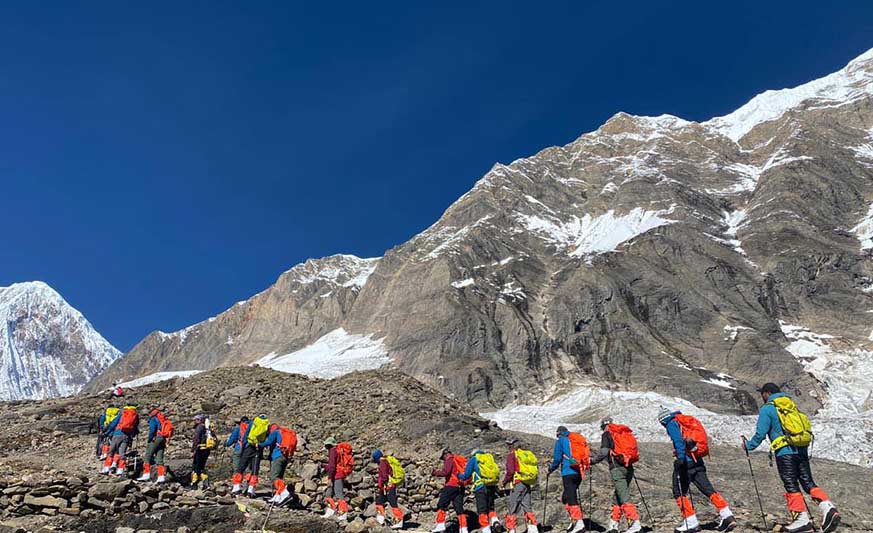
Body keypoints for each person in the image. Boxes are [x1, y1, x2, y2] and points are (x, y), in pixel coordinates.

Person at [744, 383, 840, 533]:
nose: (761, 396)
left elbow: (760, 433)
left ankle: (802, 520)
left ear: (767, 393)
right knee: (808, 482)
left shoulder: (768, 408)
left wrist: (748, 445)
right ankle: (828, 508)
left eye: (762, 393)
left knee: (791, 484)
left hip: (785, 452)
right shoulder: (791, 405)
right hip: (801, 449)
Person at [658, 408, 736, 533]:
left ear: (663, 421)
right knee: (708, 489)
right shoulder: (683, 421)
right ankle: (727, 515)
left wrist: (680, 458)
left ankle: (691, 522)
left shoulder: (671, 424)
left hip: (686, 462)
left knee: (679, 492)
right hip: (697, 460)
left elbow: (678, 440)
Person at [589, 418, 642, 533]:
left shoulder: (607, 434)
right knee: (618, 495)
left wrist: (592, 461)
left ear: (603, 427)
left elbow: (604, 452)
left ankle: (635, 523)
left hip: (617, 469)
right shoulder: (621, 432)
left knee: (624, 496)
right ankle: (613, 525)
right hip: (628, 467)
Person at [548, 426, 586, 533]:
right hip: (578, 472)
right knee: (566, 497)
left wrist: (550, 469)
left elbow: (557, 459)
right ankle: (574, 521)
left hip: (568, 472)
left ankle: (579, 523)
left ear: (558, 433)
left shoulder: (561, 440)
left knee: (571, 498)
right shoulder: (574, 440)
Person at [457, 449, 500, 533]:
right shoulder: (488, 458)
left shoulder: (474, 459)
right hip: (491, 485)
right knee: (491, 508)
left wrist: (458, 475)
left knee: (482, 510)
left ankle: (486, 529)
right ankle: (495, 521)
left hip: (480, 487)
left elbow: (466, 475)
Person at [502, 439, 539, 533]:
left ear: (512, 446)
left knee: (512, 507)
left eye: (509, 445)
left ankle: (511, 530)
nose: (508, 447)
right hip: (527, 482)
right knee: (527, 506)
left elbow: (510, 471)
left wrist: (505, 481)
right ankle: (533, 529)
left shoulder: (512, 455)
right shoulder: (525, 454)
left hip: (518, 483)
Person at [430, 448, 469, 533]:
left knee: (441, 504)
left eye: (443, 458)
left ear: (445, 455)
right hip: (460, 486)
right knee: (459, 508)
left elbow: (446, 472)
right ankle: (464, 528)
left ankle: (440, 525)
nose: (443, 460)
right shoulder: (457, 460)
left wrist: (435, 473)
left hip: (451, 485)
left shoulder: (449, 460)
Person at [259, 423, 297, 506]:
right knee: (279, 477)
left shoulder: (276, 432)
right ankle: (277, 496)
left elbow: (268, 442)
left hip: (277, 456)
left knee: (274, 477)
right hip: (285, 457)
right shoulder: (285, 433)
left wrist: (258, 444)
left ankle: (284, 493)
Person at [234, 414, 270, 497]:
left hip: (249, 447)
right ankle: (251, 489)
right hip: (258, 448)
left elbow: (246, 436)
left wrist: (243, 447)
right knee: (255, 469)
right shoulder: (267, 425)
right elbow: (267, 437)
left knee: (241, 467)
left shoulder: (253, 423)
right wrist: (261, 445)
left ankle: (236, 487)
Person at [101, 404, 139, 476]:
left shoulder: (122, 413)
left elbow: (113, 424)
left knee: (111, 452)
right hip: (127, 436)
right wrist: (132, 435)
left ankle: (106, 468)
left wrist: (106, 433)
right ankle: (120, 470)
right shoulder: (135, 415)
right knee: (122, 453)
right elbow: (135, 427)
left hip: (117, 434)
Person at [372, 449, 405, 529]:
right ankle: (381, 519)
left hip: (388, 486)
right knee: (379, 502)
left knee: (392, 502)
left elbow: (384, 476)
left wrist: (383, 483)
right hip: (387, 486)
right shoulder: (385, 461)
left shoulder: (382, 463)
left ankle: (398, 520)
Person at [136, 409, 171, 483]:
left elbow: (152, 429)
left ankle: (146, 474)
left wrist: (150, 439)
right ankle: (161, 477)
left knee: (147, 456)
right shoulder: (162, 419)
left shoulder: (153, 419)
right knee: (159, 458)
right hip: (163, 439)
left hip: (156, 438)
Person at [321, 437, 351, 520]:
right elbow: (333, 465)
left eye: (326, 445)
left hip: (337, 475)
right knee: (328, 494)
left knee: (339, 495)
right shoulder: (337, 451)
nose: (325, 447)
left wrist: (329, 479)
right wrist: (325, 466)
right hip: (338, 474)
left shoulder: (332, 451)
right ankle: (330, 511)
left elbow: (332, 467)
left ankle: (343, 514)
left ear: (328, 445)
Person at [226, 416, 253, 492]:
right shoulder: (251, 427)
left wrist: (226, 443)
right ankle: (248, 486)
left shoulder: (238, 428)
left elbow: (231, 441)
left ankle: (236, 486)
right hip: (248, 450)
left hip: (239, 449)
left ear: (241, 422)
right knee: (247, 469)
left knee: (237, 468)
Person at [191, 414, 212, 489]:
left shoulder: (199, 427)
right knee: (201, 467)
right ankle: (206, 483)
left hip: (200, 449)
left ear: (199, 420)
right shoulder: (207, 429)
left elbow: (196, 439)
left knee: (196, 467)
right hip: (206, 449)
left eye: (196, 420)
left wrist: (193, 449)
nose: (194, 421)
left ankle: (194, 484)